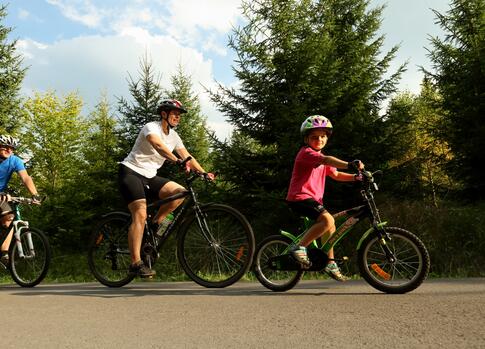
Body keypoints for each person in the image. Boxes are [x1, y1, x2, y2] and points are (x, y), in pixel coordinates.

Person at [119, 98, 215, 278]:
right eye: (174, 114)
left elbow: (187, 156)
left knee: (180, 193)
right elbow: (158, 145)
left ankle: (155, 224)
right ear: (164, 114)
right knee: (139, 213)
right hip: (131, 173)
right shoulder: (151, 127)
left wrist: (204, 172)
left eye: (179, 115)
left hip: (149, 176)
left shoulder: (174, 136)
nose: (177, 117)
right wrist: (176, 161)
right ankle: (135, 263)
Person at [286, 115, 364, 281]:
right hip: (299, 198)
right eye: (314, 137)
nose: (319, 140)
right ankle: (298, 247)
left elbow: (336, 175)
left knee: (330, 226)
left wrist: (355, 177)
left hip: (312, 200)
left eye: (323, 136)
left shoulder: (320, 156)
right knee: (328, 220)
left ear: (327, 138)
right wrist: (350, 164)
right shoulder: (306, 153)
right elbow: (327, 160)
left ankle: (329, 262)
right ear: (306, 139)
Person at [0, 135, 41, 267]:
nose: (9, 150)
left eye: (12, 148)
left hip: (1, 195)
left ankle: (4, 253)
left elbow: (25, 178)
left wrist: (35, 195)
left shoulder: (14, 160)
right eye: (5, 147)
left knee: (9, 218)